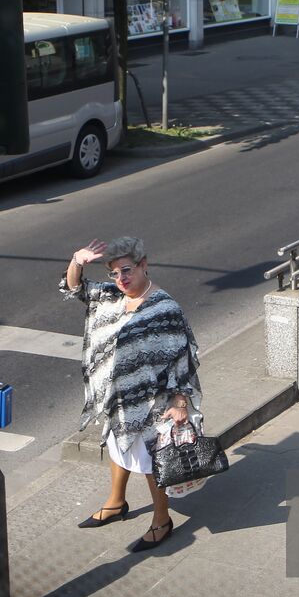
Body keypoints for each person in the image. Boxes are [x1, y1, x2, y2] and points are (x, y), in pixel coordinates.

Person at [60, 236, 202, 552]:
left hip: (154, 402)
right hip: (118, 398)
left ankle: (162, 520)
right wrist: (77, 261)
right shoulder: (111, 297)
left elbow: (184, 357)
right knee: (116, 447)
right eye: (114, 273)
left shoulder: (164, 308)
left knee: (151, 462)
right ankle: (116, 502)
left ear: (143, 265)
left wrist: (180, 402)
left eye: (126, 270)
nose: (121, 279)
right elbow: (75, 289)